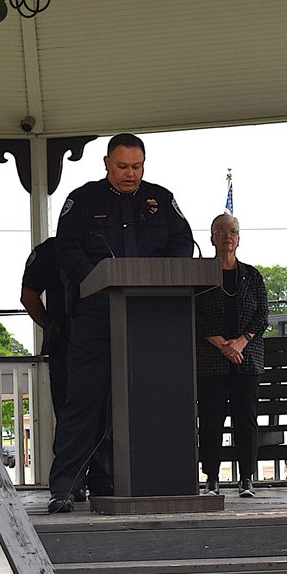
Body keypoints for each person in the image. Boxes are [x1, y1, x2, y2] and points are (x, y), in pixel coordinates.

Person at [47, 133, 193, 513]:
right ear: (107, 164)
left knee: (152, 398)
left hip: (149, 315)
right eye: (123, 166)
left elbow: (182, 243)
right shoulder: (82, 200)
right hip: (97, 313)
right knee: (84, 400)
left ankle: (151, 482)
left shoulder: (161, 200)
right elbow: (66, 249)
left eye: (137, 167)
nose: (130, 174)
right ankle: (66, 486)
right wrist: (97, 277)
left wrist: (160, 278)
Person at [195, 213, 268, 498]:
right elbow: (193, 313)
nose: (228, 236)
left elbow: (262, 315)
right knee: (211, 418)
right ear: (212, 238)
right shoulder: (201, 275)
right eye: (222, 231)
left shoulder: (252, 275)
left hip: (246, 358)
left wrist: (240, 342)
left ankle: (246, 478)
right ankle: (211, 479)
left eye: (233, 231)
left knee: (245, 419)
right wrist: (222, 345)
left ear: (239, 239)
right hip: (211, 359)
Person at [20, 236, 77, 495]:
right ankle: (87, 480)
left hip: (81, 340)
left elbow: (28, 296)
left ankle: (80, 481)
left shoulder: (52, 249)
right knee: (77, 413)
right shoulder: (51, 250)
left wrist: (49, 324)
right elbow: (28, 295)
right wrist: (50, 325)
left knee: (73, 413)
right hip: (74, 340)